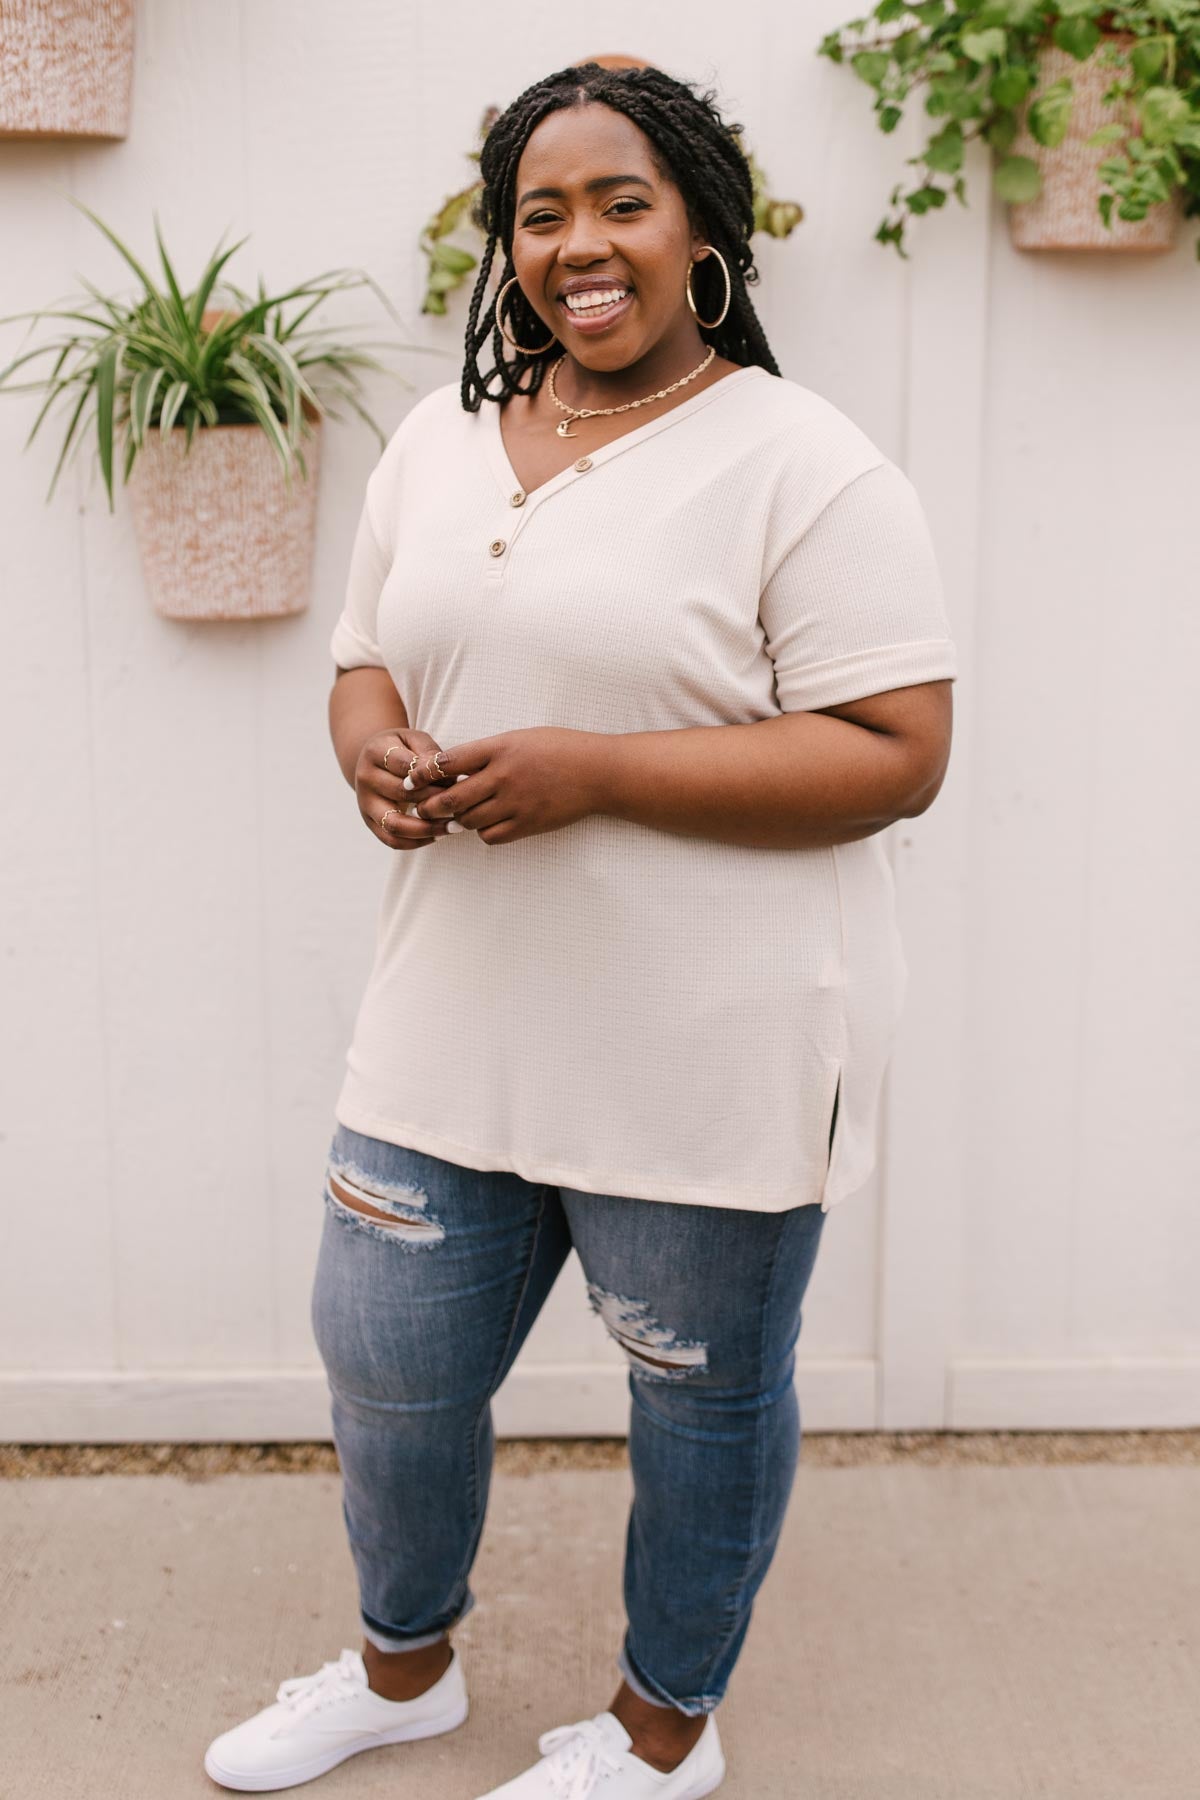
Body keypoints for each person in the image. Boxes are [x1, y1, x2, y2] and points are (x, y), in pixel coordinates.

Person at [203, 56, 957, 1800]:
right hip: (451, 1020)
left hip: (712, 1050)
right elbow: (366, 655)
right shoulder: (442, 434)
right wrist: (369, 756)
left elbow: (897, 757)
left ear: (704, 232)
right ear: (504, 245)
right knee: (388, 1369)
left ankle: (662, 1730)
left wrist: (595, 772)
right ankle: (401, 1673)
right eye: (542, 212)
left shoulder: (805, 466)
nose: (580, 243)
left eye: (623, 202)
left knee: (699, 1407)